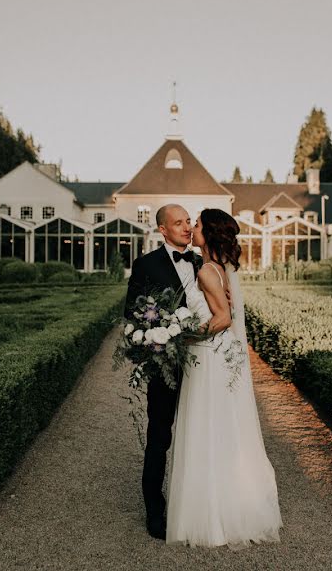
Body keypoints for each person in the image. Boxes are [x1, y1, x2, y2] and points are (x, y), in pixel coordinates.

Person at [166, 207, 282, 548]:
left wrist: (185, 335)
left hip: (208, 355)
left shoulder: (206, 272)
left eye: (198, 224)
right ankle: (227, 506)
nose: (193, 228)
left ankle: (209, 513)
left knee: (205, 425)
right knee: (221, 425)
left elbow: (223, 318)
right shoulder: (219, 269)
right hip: (219, 357)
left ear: (210, 233)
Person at [124, 204, 202, 540]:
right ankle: (154, 508)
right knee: (160, 434)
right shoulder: (145, 265)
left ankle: (198, 501)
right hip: (164, 362)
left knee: (199, 432)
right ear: (162, 230)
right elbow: (132, 313)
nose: (186, 227)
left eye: (189, 221)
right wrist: (160, 331)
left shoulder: (204, 263)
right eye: (179, 223)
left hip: (203, 361)